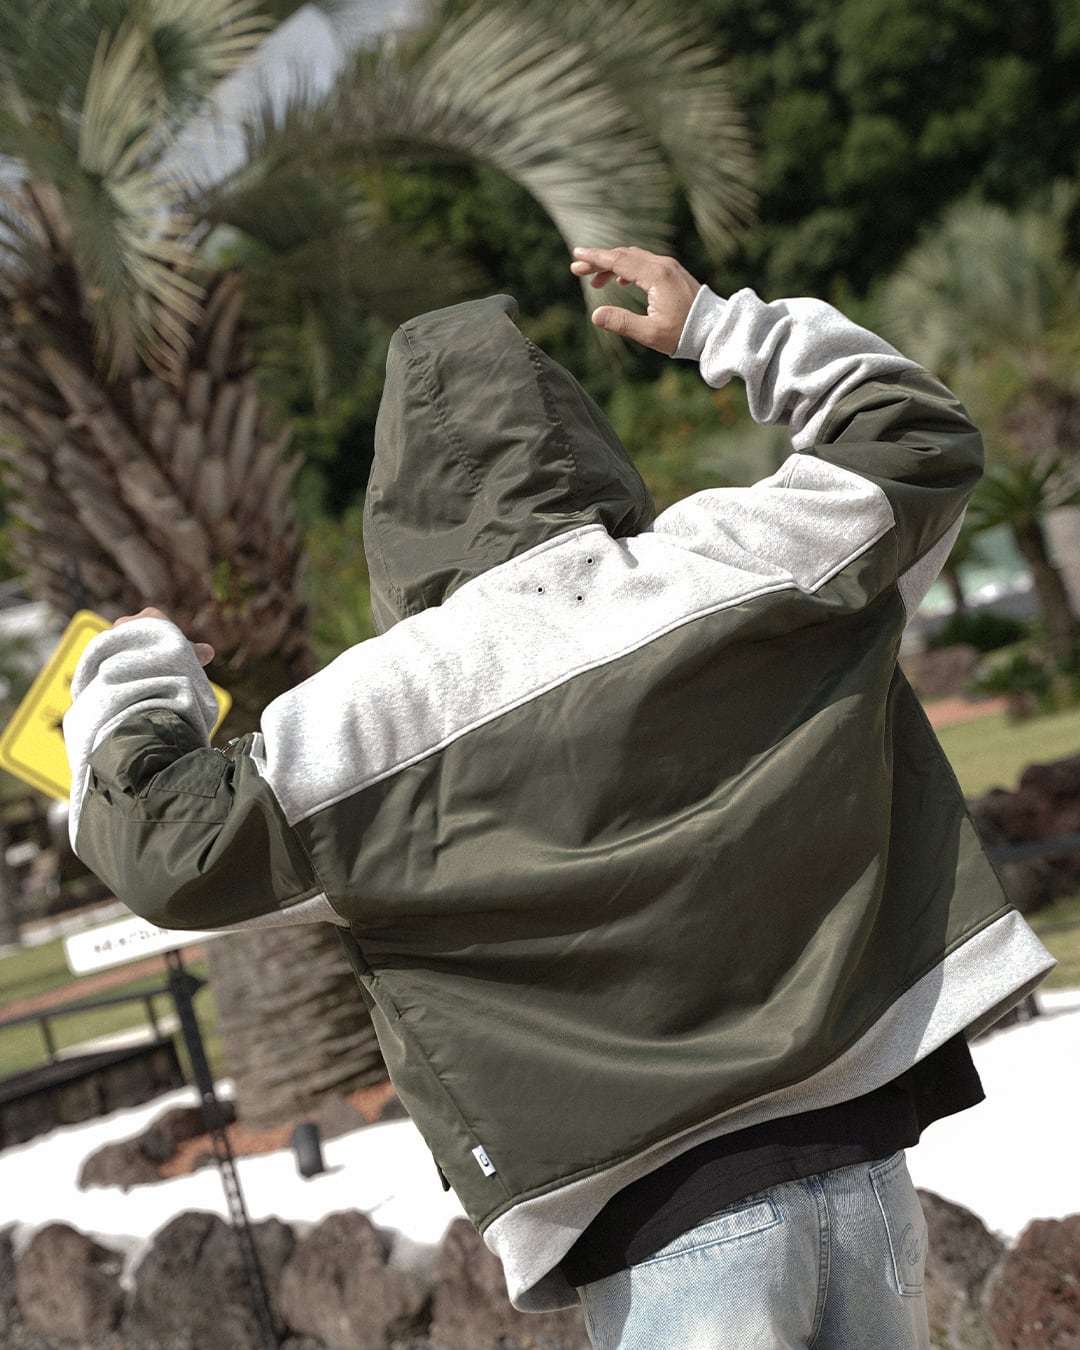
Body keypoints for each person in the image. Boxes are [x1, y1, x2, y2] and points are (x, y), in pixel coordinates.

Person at [64, 247, 1053, 1349]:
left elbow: (165, 848)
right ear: (576, 433)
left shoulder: (365, 716)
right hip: (866, 1171)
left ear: (399, 501)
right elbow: (918, 438)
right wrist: (721, 327)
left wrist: (137, 671)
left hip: (668, 1234)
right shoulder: (740, 562)